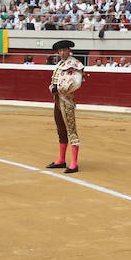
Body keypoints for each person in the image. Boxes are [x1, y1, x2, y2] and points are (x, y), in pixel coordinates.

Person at [46, 39, 85, 173]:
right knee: (61, 130)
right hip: (57, 100)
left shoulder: (74, 64)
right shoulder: (60, 63)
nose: (62, 53)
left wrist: (58, 88)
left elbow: (76, 83)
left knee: (71, 130)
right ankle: (61, 160)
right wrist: (53, 88)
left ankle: (74, 163)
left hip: (67, 100)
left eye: (64, 50)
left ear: (69, 50)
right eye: (60, 51)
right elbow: (54, 81)